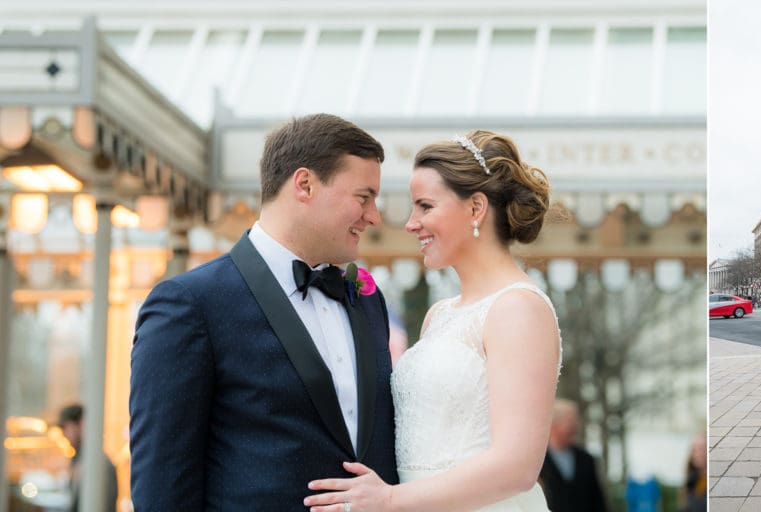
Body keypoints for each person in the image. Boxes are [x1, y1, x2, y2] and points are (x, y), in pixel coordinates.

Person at [130, 114, 398, 509]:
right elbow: (162, 485)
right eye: (363, 197)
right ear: (304, 184)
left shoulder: (366, 299)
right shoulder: (191, 304)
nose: (374, 216)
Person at [304, 130, 561, 511]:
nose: (411, 223)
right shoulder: (439, 315)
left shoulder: (518, 308)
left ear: (476, 208)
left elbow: (518, 467)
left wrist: (391, 498)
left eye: (425, 206)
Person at [539, 400, 608, 512]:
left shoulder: (586, 459)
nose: (576, 426)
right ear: (554, 423)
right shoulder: (538, 462)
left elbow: (598, 500)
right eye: (570, 421)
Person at [57, 404, 118, 512]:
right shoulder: (79, 459)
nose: (63, 434)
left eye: (65, 427)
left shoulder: (97, 462)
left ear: (80, 424)